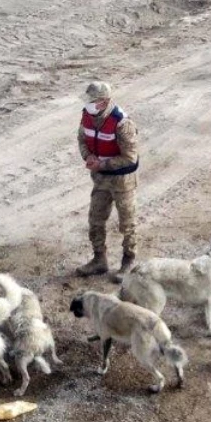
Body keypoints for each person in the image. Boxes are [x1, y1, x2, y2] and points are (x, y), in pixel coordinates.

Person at [75, 81, 139, 282]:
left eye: (92, 102)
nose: (88, 105)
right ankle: (99, 260)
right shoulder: (87, 117)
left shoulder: (122, 124)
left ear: (104, 102)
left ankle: (129, 261)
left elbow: (130, 158)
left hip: (122, 180)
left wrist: (101, 164)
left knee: (126, 222)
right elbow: (82, 140)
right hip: (101, 179)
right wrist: (88, 158)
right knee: (95, 219)